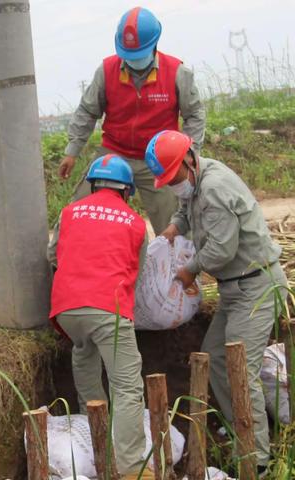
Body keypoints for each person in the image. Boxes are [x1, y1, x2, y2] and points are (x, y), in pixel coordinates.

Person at [144, 129, 288, 476]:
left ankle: (258, 460)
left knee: (242, 370)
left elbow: (221, 250)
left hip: (255, 287)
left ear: (189, 160)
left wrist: (188, 271)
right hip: (234, 290)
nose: (174, 185)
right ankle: (244, 427)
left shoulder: (215, 188)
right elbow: (184, 212)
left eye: (174, 177)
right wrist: (169, 233)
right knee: (215, 356)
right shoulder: (196, 183)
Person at [47, 154, 152, 480]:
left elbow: (52, 255)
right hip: (108, 309)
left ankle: (98, 451)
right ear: (127, 191)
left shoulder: (69, 213)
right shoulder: (134, 223)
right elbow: (139, 272)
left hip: (66, 309)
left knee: (86, 358)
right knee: (126, 386)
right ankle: (132, 468)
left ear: (92, 184)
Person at [58, 6, 205, 235]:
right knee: (81, 213)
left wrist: (189, 154)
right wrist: (72, 151)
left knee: (174, 226)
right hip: (114, 153)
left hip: (159, 159)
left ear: (154, 44)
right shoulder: (107, 71)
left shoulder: (176, 72)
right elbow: (87, 111)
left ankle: (178, 269)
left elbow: (194, 114)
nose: (133, 60)